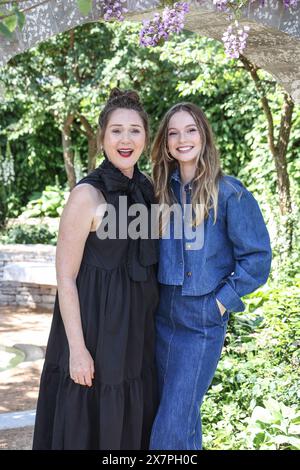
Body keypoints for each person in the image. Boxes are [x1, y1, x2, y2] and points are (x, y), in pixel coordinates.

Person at [32, 88, 159, 450]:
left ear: (145, 137)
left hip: (136, 333)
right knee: (89, 426)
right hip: (95, 331)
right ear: (102, 135)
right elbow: (66, 277)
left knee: (130, 428)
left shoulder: (147, 189)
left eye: (135, 130)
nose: (125, 139)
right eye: (116, 130)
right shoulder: (86, 196)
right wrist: (77, 349)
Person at [149, 102, 272, 450]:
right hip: (160, 318)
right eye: (173, 133)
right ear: (166, 143)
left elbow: (258, 258)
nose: (182, 139)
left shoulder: (230, 192)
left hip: (202, 321)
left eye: (190, 130)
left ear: (203, 135)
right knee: (180, 419)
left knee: (171, 427)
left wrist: (221, 303)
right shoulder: (158, 193)